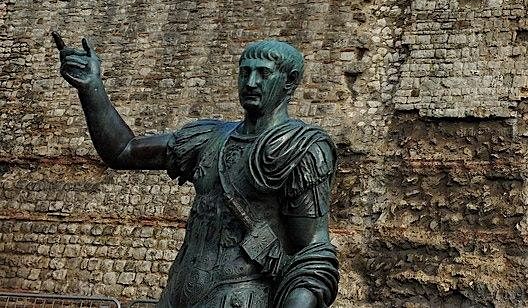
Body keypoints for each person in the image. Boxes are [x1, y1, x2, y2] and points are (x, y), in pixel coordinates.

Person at [54, 32, 339, 308]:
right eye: (245, 72)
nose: (251, 82)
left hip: (241, 296)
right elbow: (122, 150)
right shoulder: (208, 138)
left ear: (289, 82)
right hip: (178, 293)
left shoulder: (300, 149)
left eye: (263, 74)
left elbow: (313, 254)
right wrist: (92, 88)